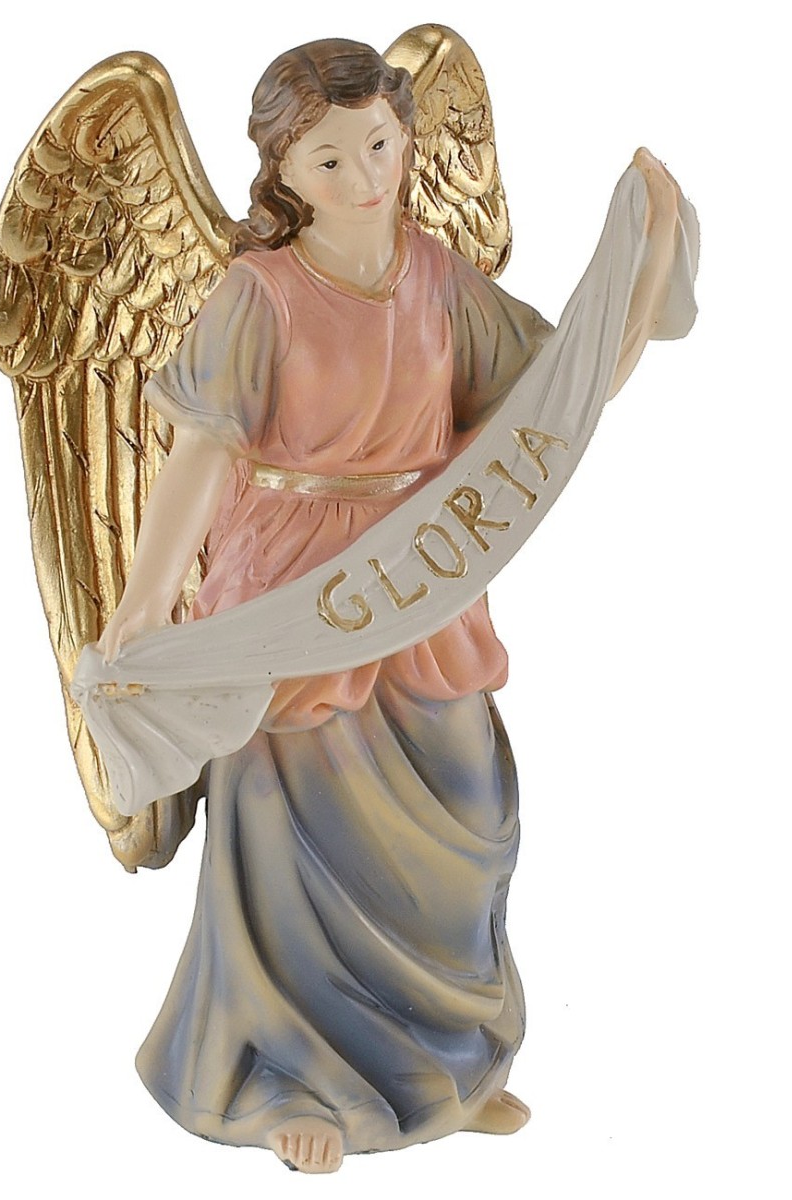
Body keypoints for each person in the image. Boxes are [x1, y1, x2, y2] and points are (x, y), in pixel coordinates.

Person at [96, 39, 679, 1174]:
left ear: (406, 138)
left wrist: (642, 260)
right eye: (330, 158)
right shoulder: (258, 295)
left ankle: (441, 1067)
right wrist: (146, 602)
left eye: (379, 144)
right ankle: (294, 1076)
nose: (366, 175)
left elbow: (561, 401)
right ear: (283, 171)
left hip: (423, 587)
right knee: (292, 836)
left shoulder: (438, 279)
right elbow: (202, 452)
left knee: (469, 814)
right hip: (292, 597)